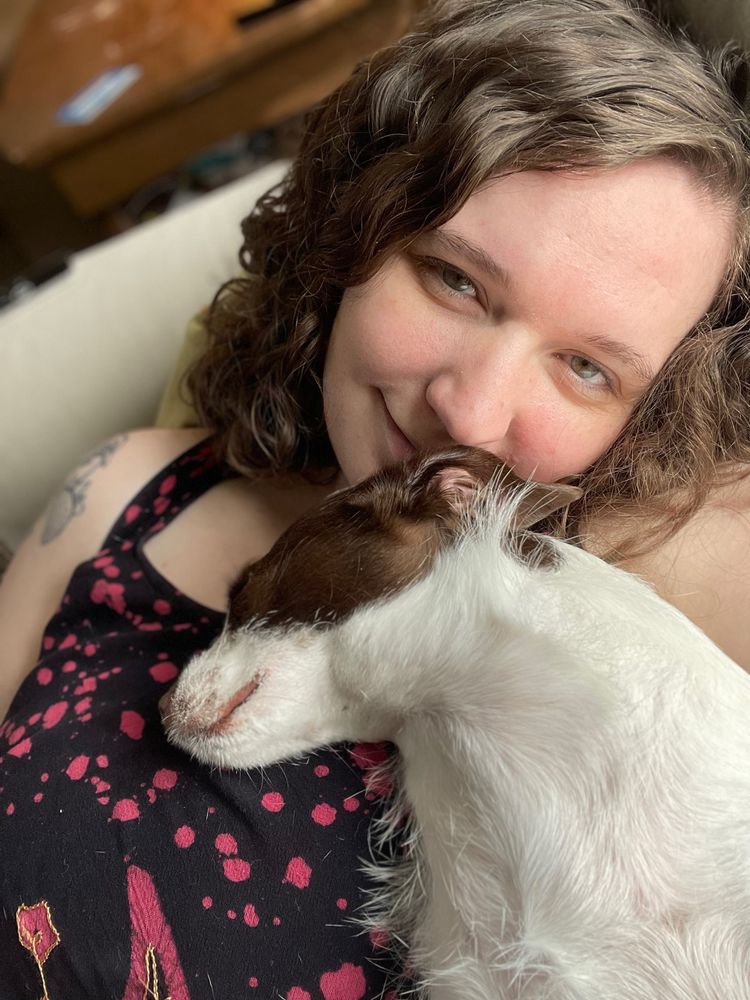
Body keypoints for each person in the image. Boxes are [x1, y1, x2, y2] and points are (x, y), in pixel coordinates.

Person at [1, 0, 749, 995]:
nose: (472, 413)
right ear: (353, 230)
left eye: (585, 368)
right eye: (456, 281)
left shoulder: (629, 625)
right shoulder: (125, 487)